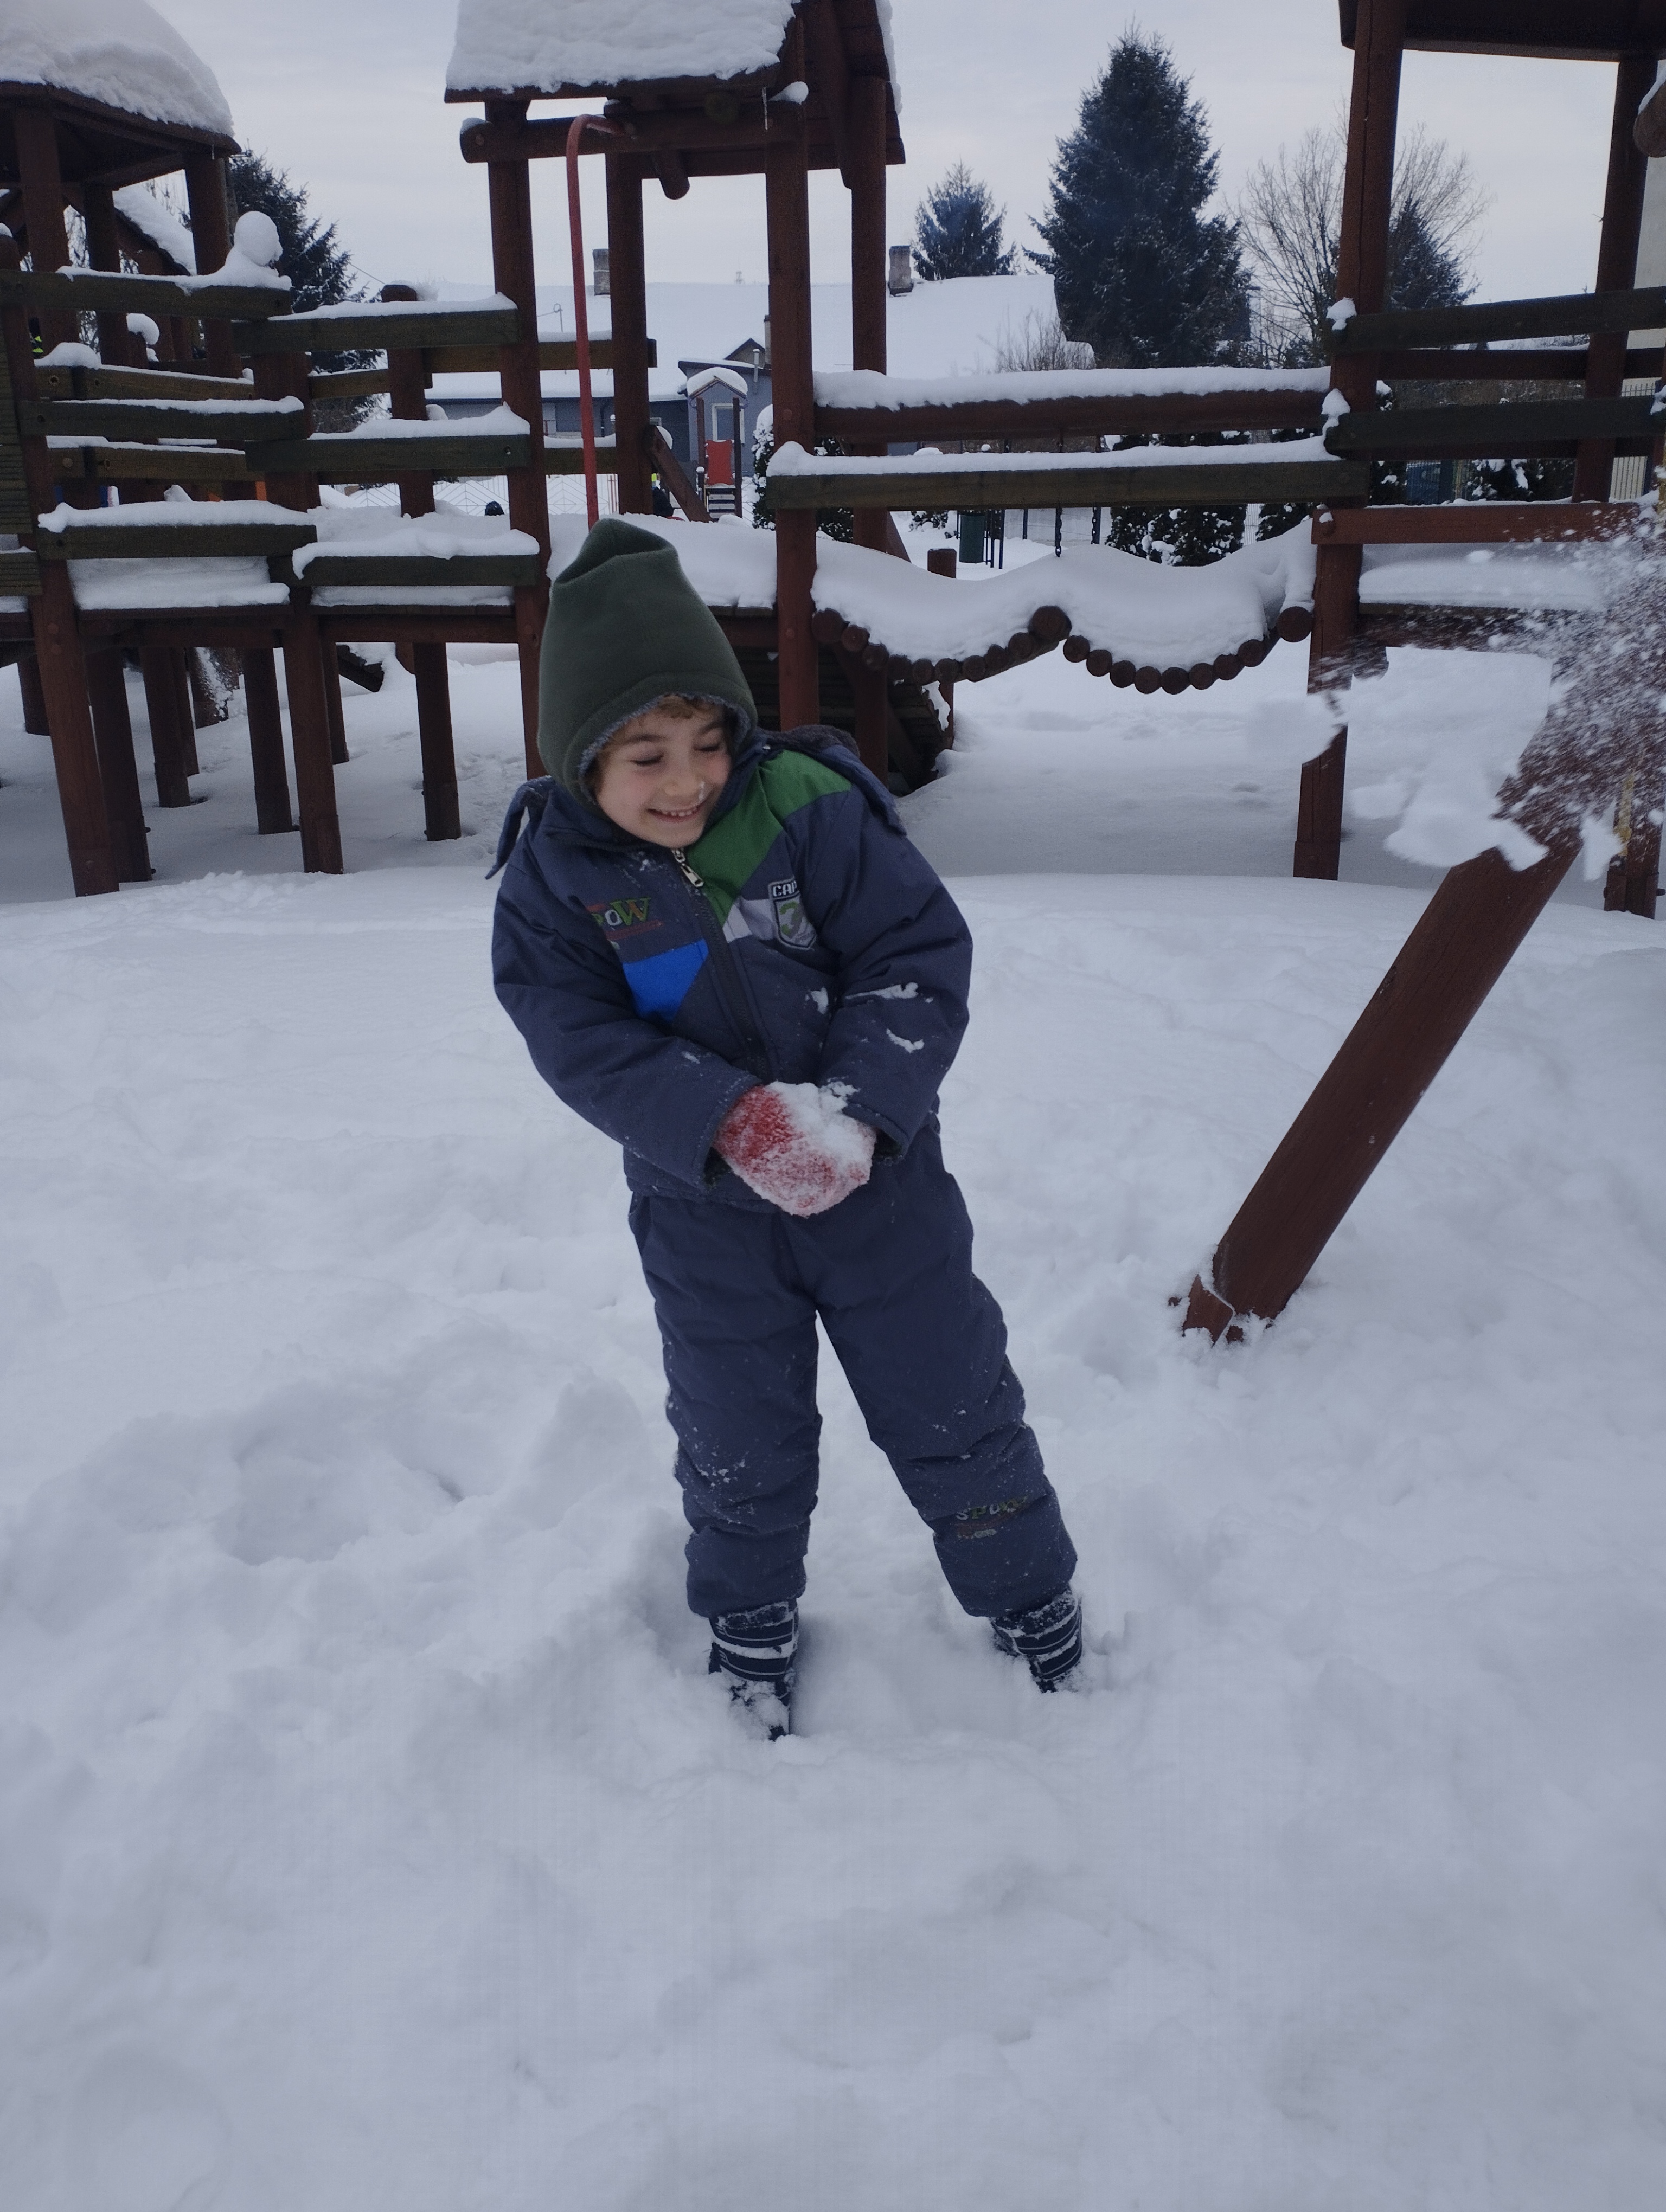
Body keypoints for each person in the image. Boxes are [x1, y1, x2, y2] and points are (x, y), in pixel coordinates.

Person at [491, 519, 1081, 1735]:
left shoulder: (810, 808)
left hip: (882, 1193)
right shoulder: (557, 879)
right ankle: (749, 1615)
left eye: (709, 742)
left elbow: (915, 958)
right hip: (703, 1211)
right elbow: (574, 1034)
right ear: (577, 760)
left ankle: (1028, 1594)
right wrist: (725, 1121)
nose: (688, 781)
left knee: (952, 1397)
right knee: (735, 1430)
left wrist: (859, 1113)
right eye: (646, 756)